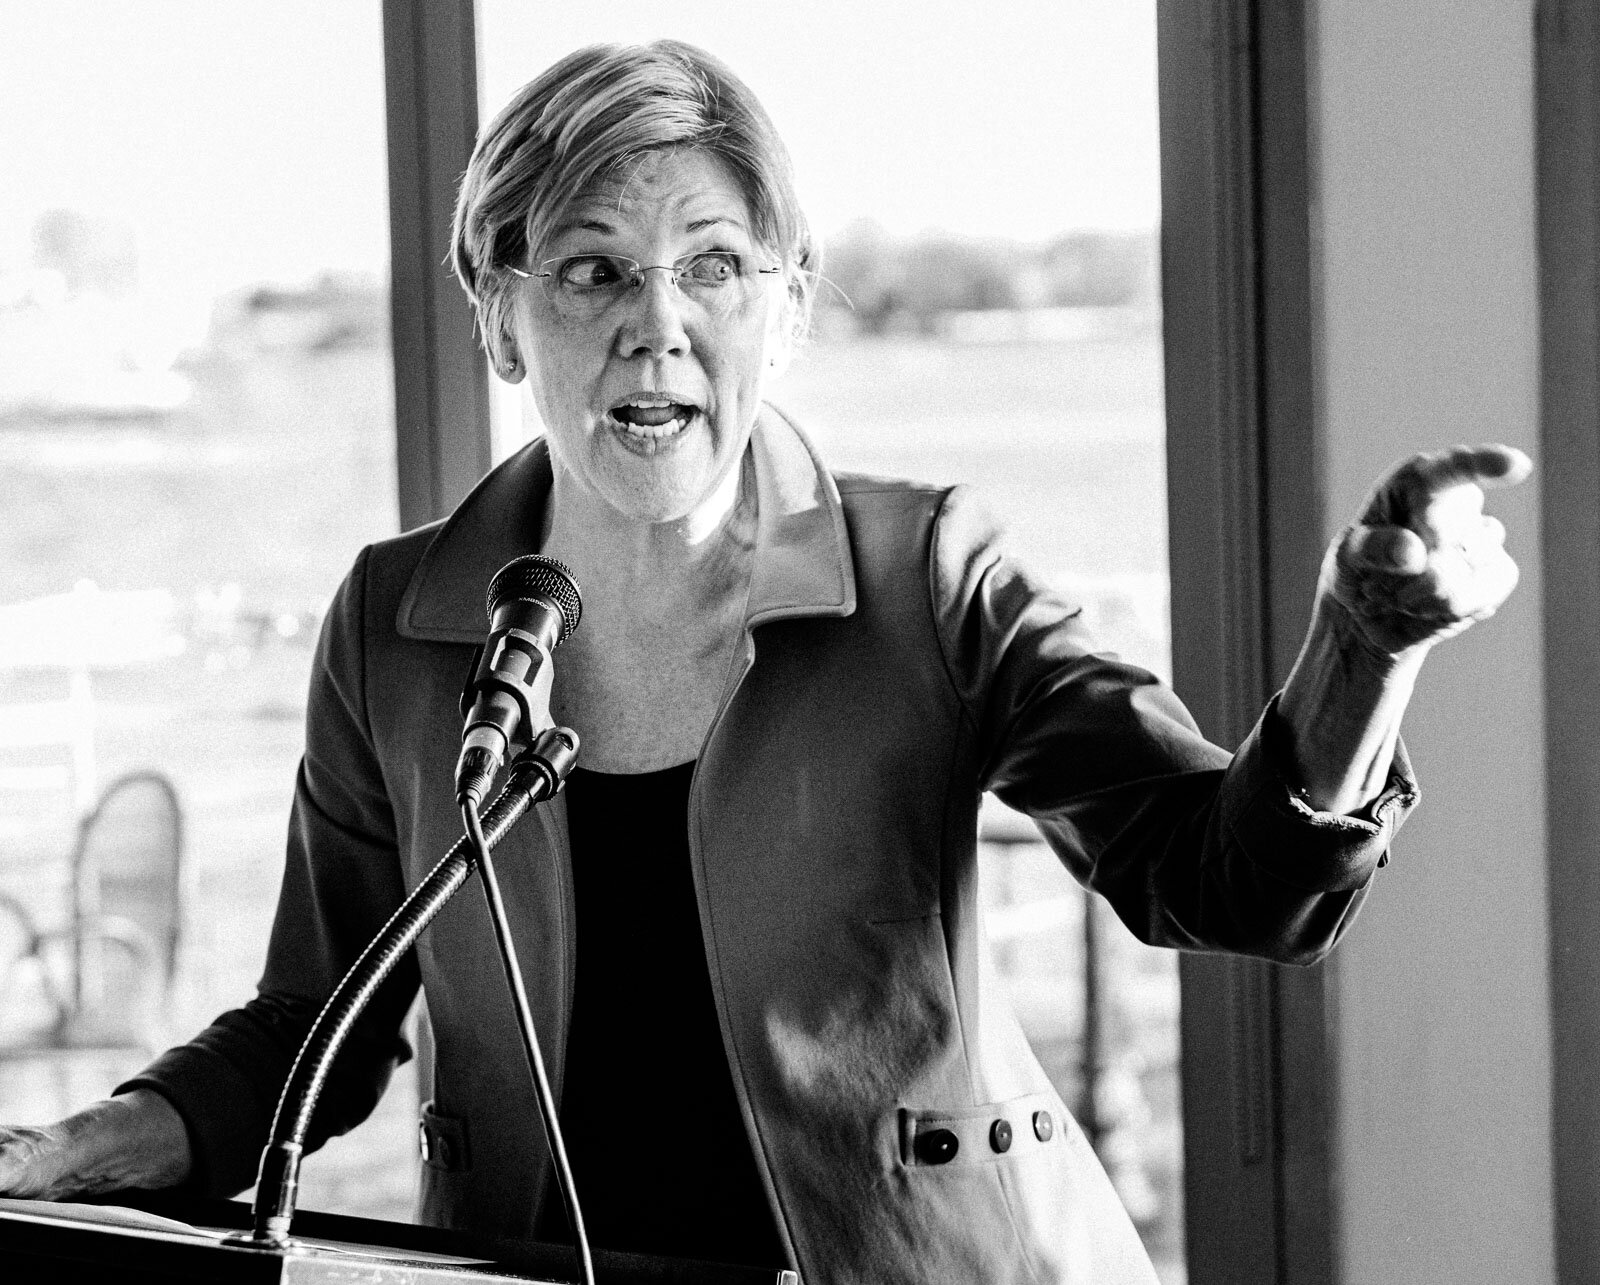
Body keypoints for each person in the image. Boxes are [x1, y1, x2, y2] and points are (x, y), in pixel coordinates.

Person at [0, 39, 1527, 1285]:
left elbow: (1222, 872)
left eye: (713, 267)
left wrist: (1359, 647)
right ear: (500, 317)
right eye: (592, 271)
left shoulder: (932, 575)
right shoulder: (393, 623)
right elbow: (311, 1026)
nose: (655, 326)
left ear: (784, 311)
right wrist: (78, 1145)